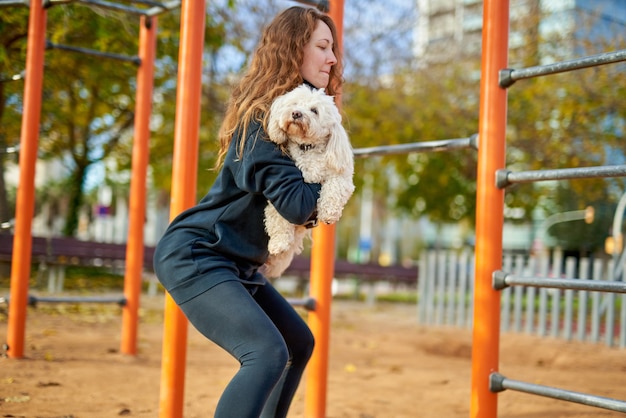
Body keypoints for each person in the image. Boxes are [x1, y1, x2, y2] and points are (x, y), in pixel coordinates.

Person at [153, 6, 343, 418]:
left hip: (236, 262)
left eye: (333, 49)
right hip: (197, 254)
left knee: (297, 344)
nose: (332, 58)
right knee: (265, 352)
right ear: (294, 51)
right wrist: (330, 176)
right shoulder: (261, 121)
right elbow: (297, 206)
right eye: (322, 47)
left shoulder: (300, 127)